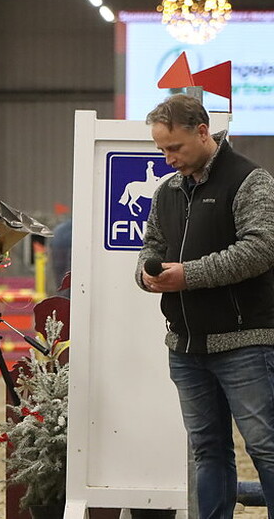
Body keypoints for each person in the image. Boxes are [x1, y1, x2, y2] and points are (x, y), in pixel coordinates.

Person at [136, 93, 274, 518]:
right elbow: (150, 248)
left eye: (173, 148)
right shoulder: (167, 192)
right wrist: (146, 275)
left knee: (265, 448)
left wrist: (187, 275)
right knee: (208, 450)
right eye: (161, 150)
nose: (167, 158)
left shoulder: (251, 180)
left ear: (202, 131)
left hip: (245, 343)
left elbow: (261, 248)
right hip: (186, 346)